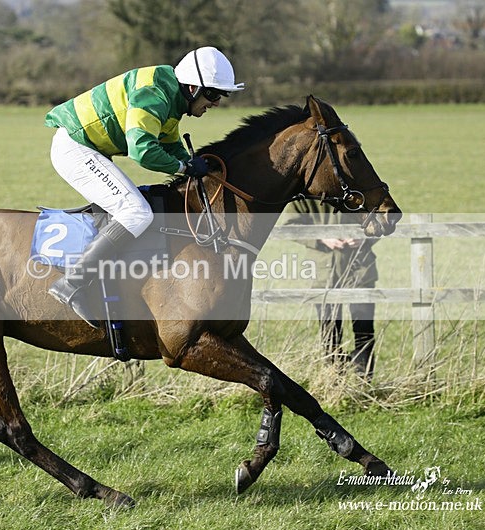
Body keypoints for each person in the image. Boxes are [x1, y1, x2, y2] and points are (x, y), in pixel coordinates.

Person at [44, 46, 244, 327]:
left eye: (221, 96)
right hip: (75, 148)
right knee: (135, 212)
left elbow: (168, 142)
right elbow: (143, 151)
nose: (216, 103)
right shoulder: (155, 93)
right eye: (212, 94)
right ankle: (71, 283)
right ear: (191, 87)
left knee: (134, 208)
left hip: (89, 148)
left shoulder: (171, 95)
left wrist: (192, 161)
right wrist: (184, 168)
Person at [282, 199, 379, 380]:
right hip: (323, 274)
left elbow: (382, 220)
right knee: (330, 334)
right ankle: (333, 382)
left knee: (364, 332)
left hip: (360, 272)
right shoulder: (305, 196)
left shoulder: (361, 191)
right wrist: (321, 237)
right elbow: (290, 226)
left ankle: (364, 383)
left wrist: (364, 236)